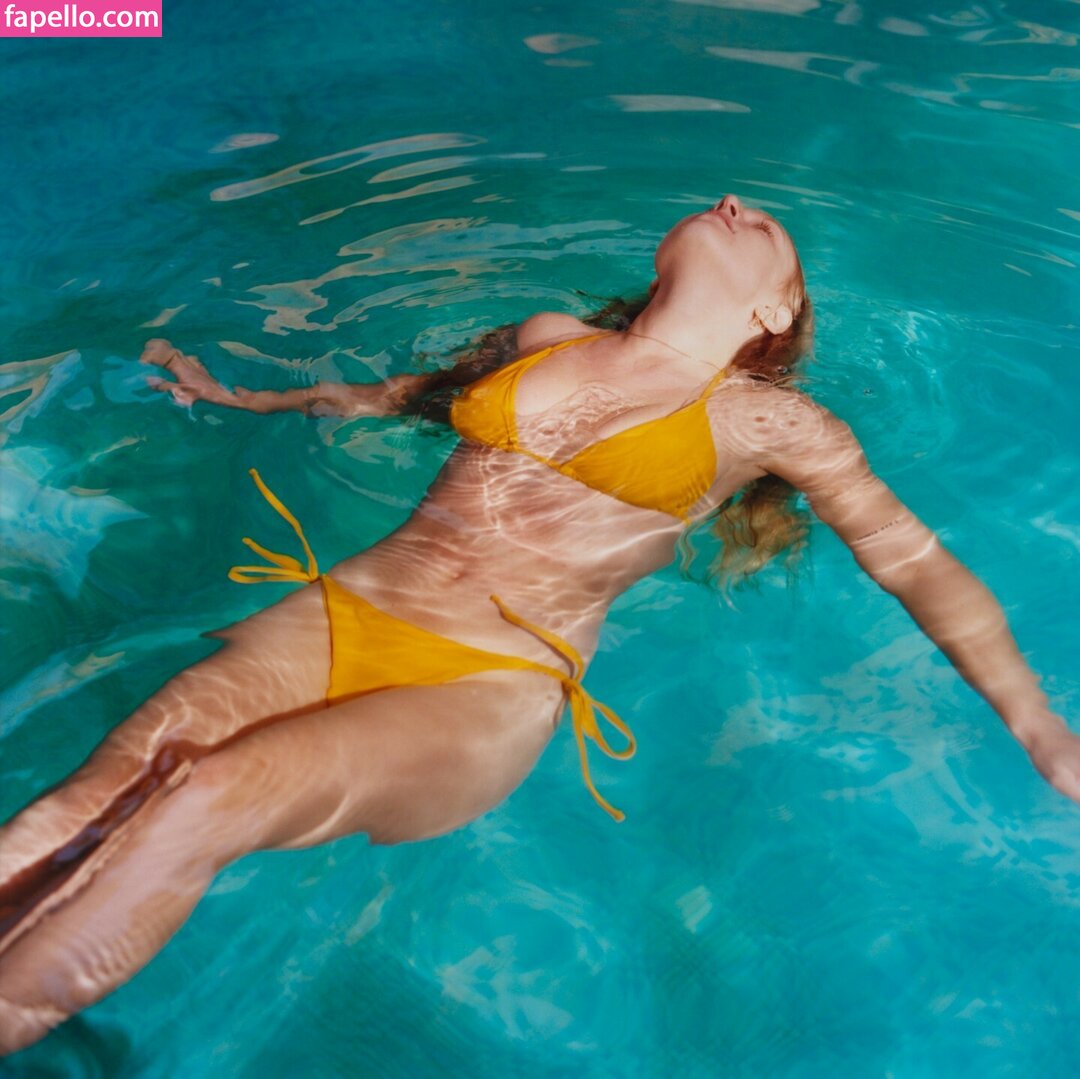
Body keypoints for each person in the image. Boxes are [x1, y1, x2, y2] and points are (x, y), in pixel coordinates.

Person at [1, 194, 1077, 1054]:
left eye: (765, 229)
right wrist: (245, 400)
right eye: (735, 204)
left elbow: (914, 560)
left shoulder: (768, 418)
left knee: (204, 794)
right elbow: (402, 395)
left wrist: (1038, 725)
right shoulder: (544, 336)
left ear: (774, 314)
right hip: (347, 609)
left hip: (486, 684)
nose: (734, 202)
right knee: (84, 805)